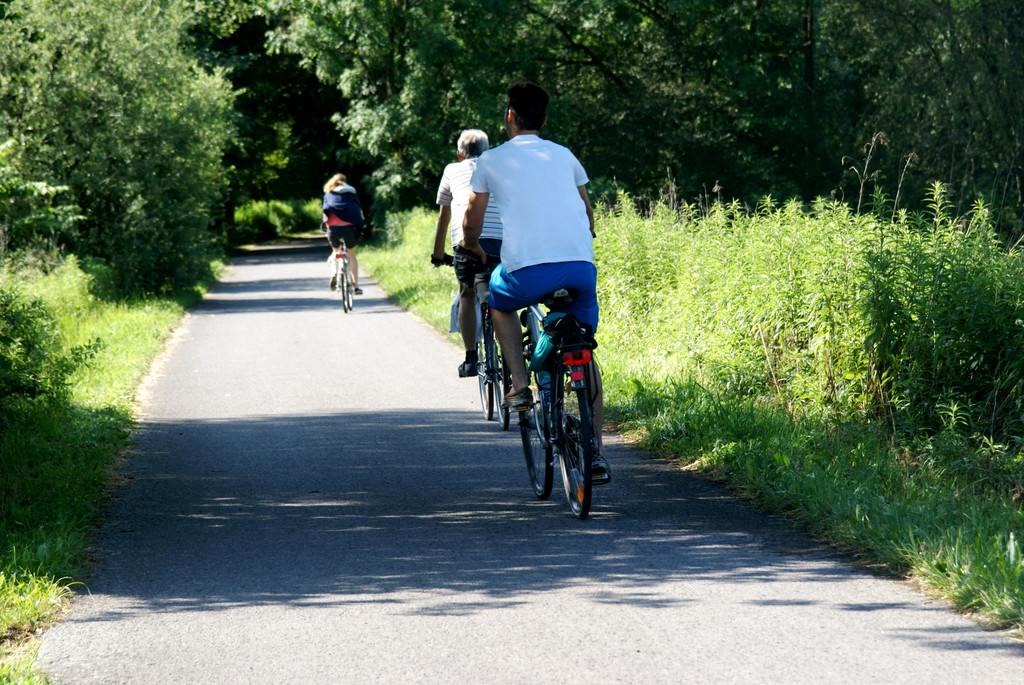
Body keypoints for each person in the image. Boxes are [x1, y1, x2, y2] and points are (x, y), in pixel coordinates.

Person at [462, 81, 608, 482]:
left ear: (509, 116)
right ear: (544, 119)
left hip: (526, 272)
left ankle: (521, 386)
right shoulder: (564, 155)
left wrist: (472, 246)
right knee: (583, 348)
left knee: (498, 299)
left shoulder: (490, 160)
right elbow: (588, 214)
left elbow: (472, 220)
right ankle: (594, 449)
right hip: (580, 268)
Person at [432, 129, 504, 377]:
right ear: (488, 151)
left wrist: (437, 253)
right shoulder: (499, 167)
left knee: (467, 292)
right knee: (504, 292)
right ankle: (509, 351)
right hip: (499, 240)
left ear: (459, 155)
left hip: (464, 241)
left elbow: (444, 215)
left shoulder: (452, 169)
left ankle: (471, 359)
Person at [322, 173, 366, 295]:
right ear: (345, 182)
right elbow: (358, 210)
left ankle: (334, 273)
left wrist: (327, 226)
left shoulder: (329, 193)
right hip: (349, 228)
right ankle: (356, 286)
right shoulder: (351, 193)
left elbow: (325, 211)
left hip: (333, 229)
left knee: (336, 252)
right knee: (351, 256)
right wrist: (361, 223)